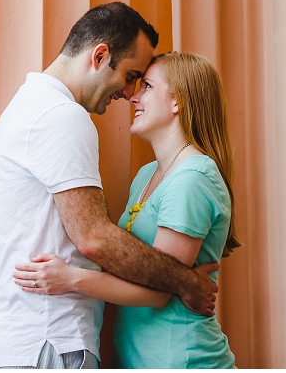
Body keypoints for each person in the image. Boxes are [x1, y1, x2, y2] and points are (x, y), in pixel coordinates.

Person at [0, 3, 220, 369]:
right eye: (130, 75)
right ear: (100, 55)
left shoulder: (29, 106)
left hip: (27, 340)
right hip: (48, 341)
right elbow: (94, 237)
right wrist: (185, 282)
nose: (129, 93)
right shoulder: (62, 116)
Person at [13, 51, 239, 368]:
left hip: (183, 360)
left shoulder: (193, 178)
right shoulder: (148, 174)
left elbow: (159, 289)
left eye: (147, 86)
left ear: (178, 102)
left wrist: (69, 279)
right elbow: (136, 267)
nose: (132, 96)